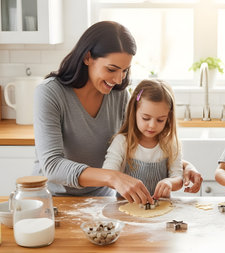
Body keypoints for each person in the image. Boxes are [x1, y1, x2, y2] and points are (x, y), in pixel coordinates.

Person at [33, 21, 202, 204]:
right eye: (111, 69)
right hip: (54, 199)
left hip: (101, 199)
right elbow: (52, 165)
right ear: (87, 57)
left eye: (125, 70)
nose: (118, 79)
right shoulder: (50, 93)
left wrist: (183, 166)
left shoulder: (119, 95)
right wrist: (112, 177)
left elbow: (136, 142)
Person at [102, 79, 183, 202]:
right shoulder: (122, 142)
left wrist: (170, 182)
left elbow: (178, 177)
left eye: (160, 120)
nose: (152, 125)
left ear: (168, 117)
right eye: (146, 118)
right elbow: (108, 174)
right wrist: (122, 182)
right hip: (125, 208)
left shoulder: (170, 144)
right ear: (134, 112)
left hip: (160, 209)